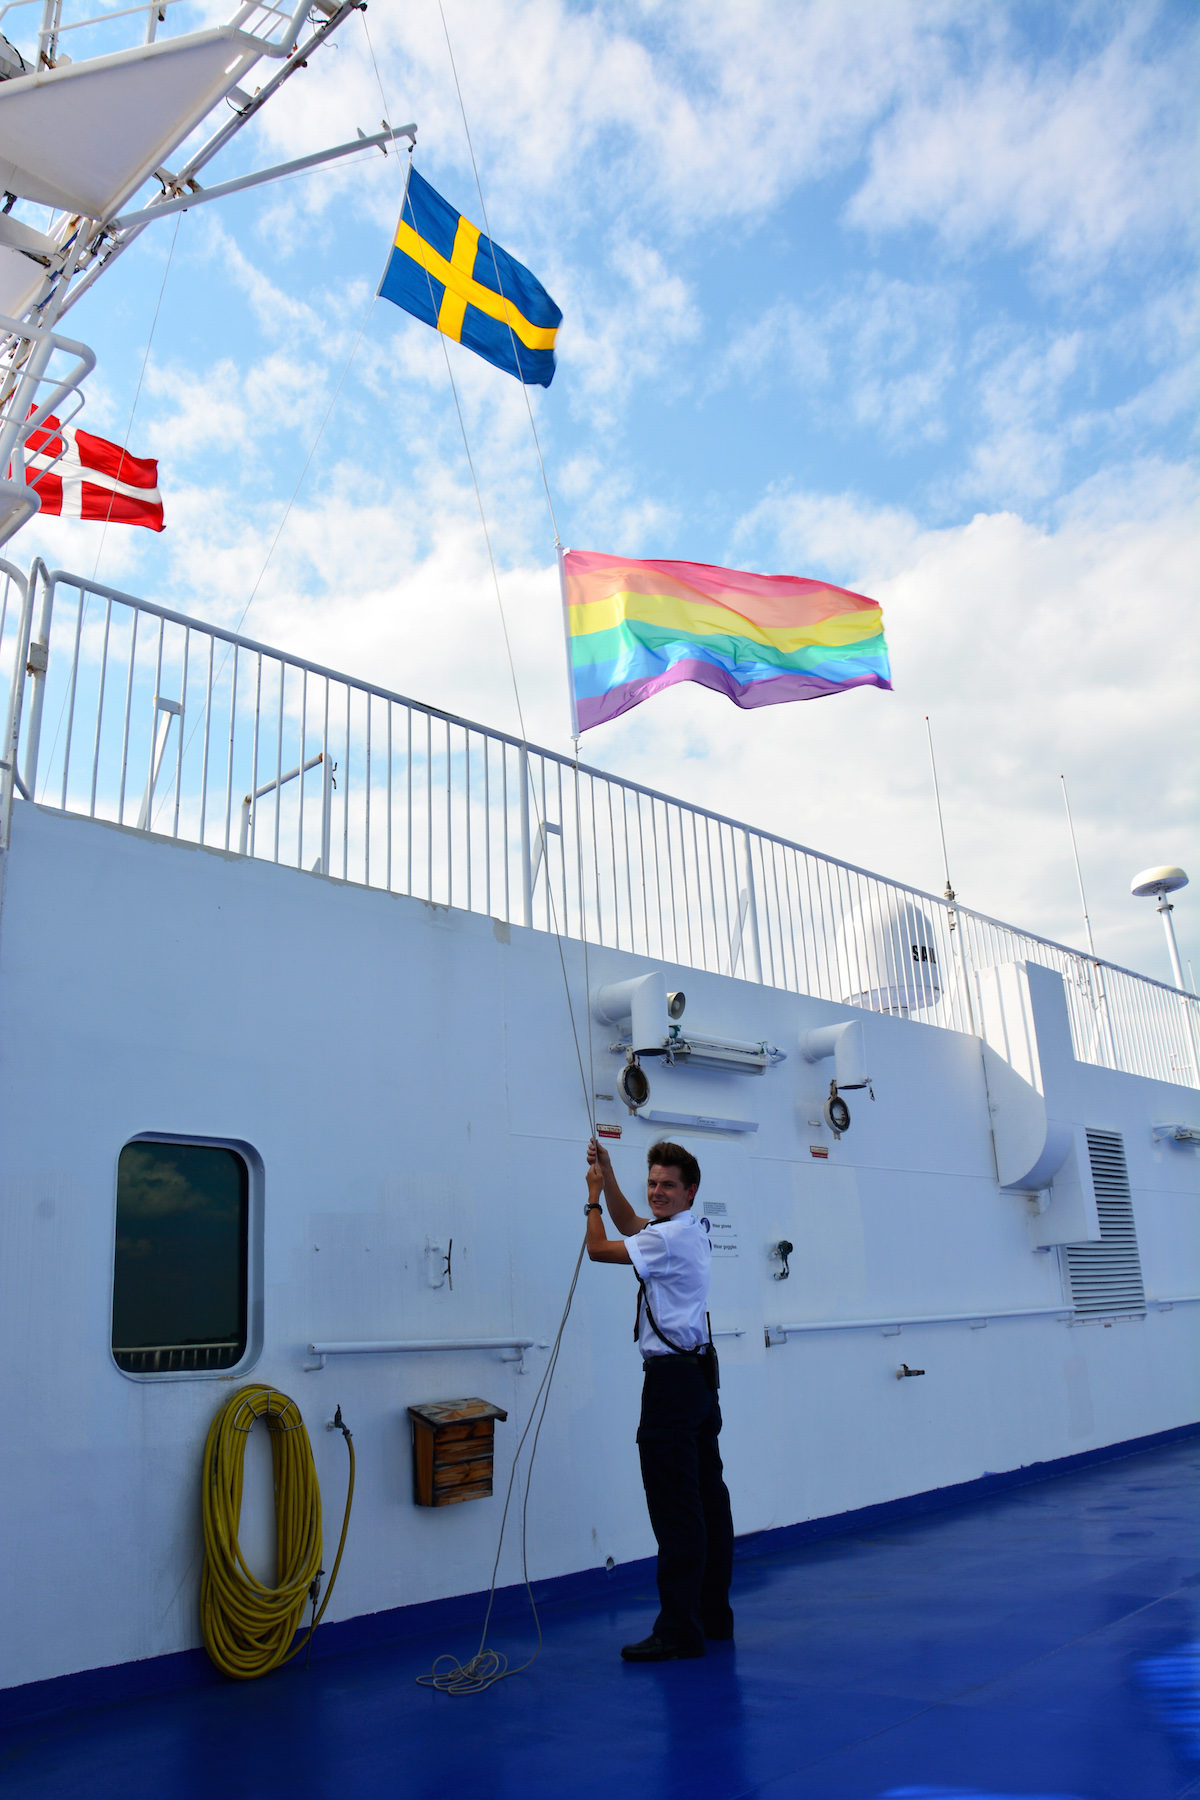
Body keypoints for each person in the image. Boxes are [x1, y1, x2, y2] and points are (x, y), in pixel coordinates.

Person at [584, 1137, 735, 1661]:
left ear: (691, 1190)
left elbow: (601, 1247)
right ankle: (713, 1616)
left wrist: (590, 1199)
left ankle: (678, 1629)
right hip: (699, 1384)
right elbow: (633, 1225)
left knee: (677, 1508)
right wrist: (608, 1172)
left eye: (668, 1185)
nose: (657, 1193)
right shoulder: (687, 1231)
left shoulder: (669, 1239)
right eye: (652, 1183)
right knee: (709, 1501)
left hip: (671, 1387)